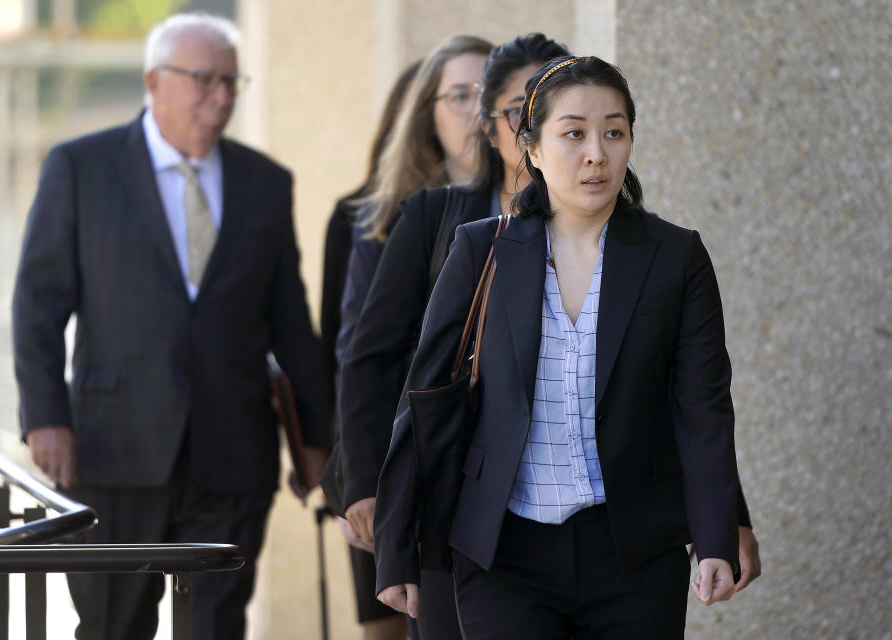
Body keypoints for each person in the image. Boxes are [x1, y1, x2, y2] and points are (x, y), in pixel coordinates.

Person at [374, 55, 748, 638]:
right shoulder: (481, 250)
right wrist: (396, 549)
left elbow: (702, 408)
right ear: (534, 148)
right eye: (573, 133)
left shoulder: (675, 257)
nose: (596, 152)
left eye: (614, 132)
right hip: (503, 551)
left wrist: (716, 536)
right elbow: (423, 402)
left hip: (635, 555)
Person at [12, 13, 328, 640]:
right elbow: (38, 305)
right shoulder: (81, 168)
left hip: (233, 452)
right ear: (154, 81)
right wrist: (46, 417)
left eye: (233, 83)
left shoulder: (266, 183)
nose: (222, 98)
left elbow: (292, 320)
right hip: (113, 448)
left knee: (215, 628)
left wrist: (316, 434)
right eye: (206, 80)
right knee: (111, 627)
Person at [337, 34, 493, 639]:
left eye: (491, 96)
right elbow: (360, 355)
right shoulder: (393, 217)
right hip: (407, 458)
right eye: (459, 96)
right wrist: (361, 478)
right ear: (427, 111)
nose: (478, 114)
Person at [320, 59, 422, 640]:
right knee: (383, 627)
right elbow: (342, 352)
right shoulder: (358, 215)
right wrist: (343, 474)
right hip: (371, 455)